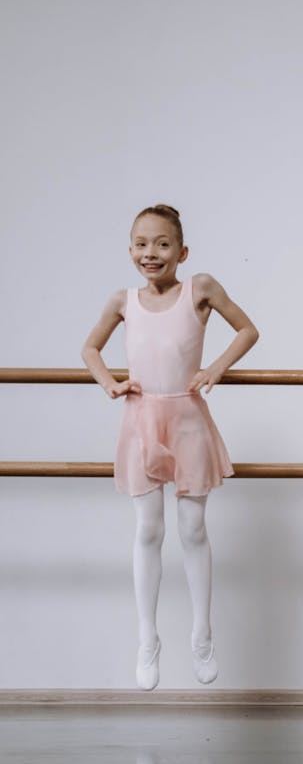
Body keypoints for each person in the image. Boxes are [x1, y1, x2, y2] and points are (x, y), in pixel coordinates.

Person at [82, 205, 258, 689]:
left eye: (162, 244)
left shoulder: (199, 288)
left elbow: (247, 329)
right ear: (130, 249)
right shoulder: (124, 300)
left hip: (186, 416)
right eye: (141, 243)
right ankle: (148, 638)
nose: (150, 253)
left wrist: (215, 368)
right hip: (141, 418)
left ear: (182, 252)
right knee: (148, 529)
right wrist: (108, 383)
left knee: (194, 527)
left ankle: (202, 636)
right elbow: (90, 348)